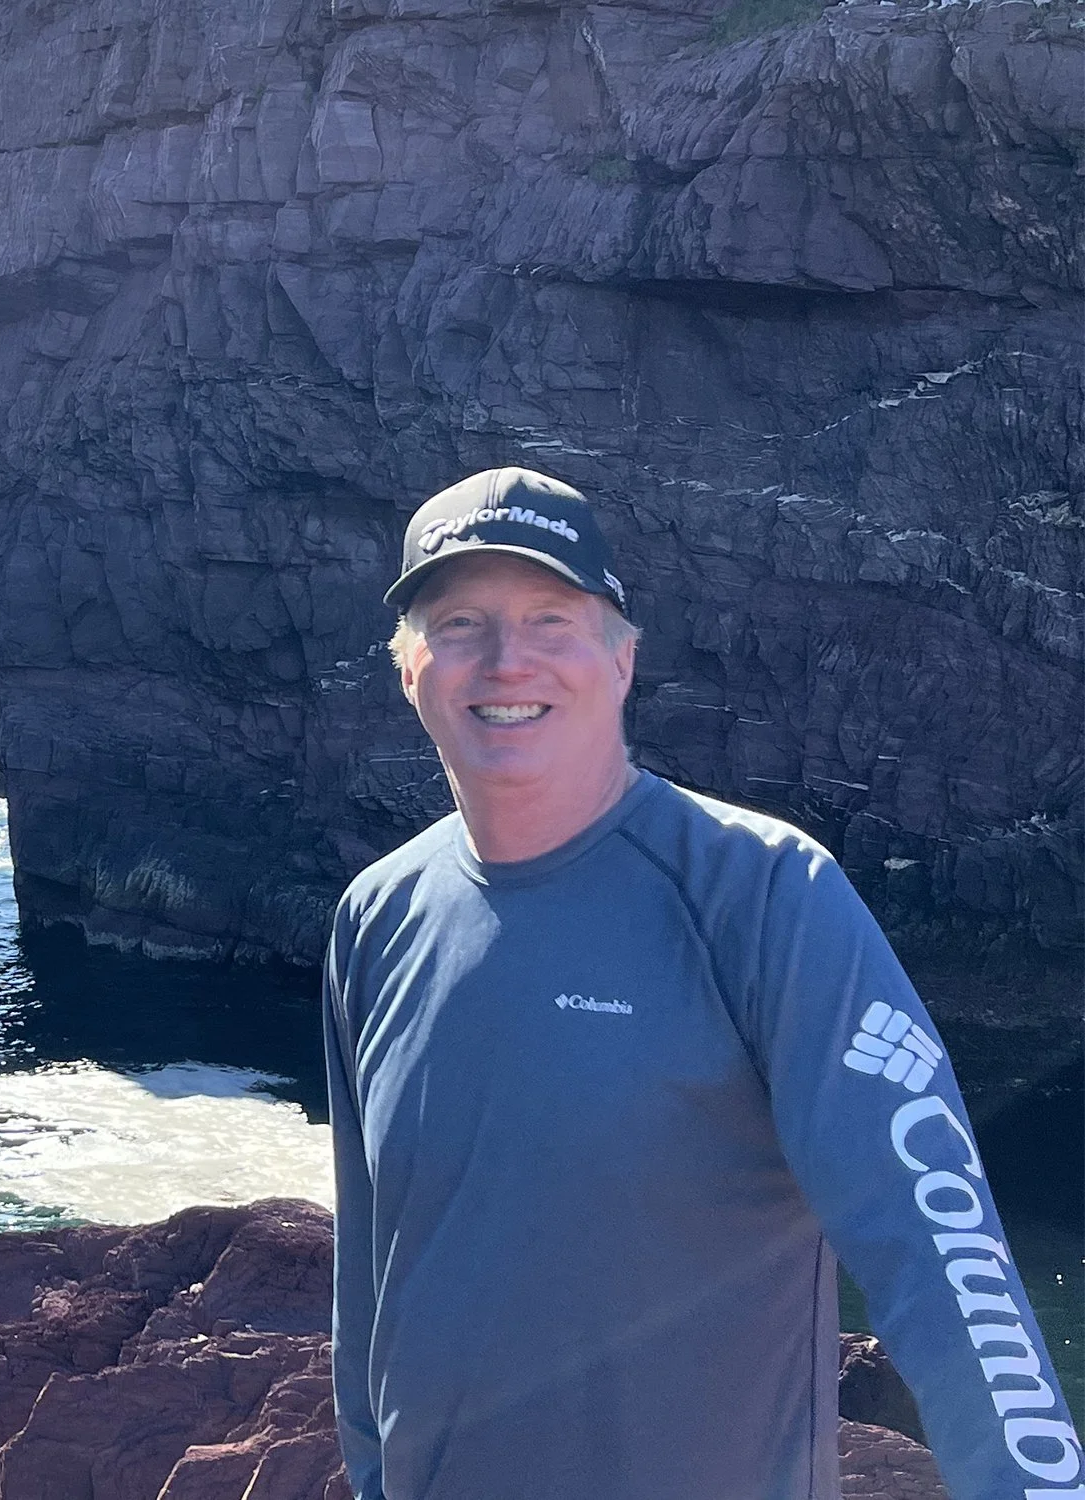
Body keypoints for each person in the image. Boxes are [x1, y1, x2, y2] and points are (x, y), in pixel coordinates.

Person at [322, 466, 1080, 1500]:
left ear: (622, 659)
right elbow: (373, 1273)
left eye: (553, 619)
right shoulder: (375, 915)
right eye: (459, 623)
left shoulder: (767, 894)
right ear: (410, 667)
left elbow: (937, 1239)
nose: (506, 660)